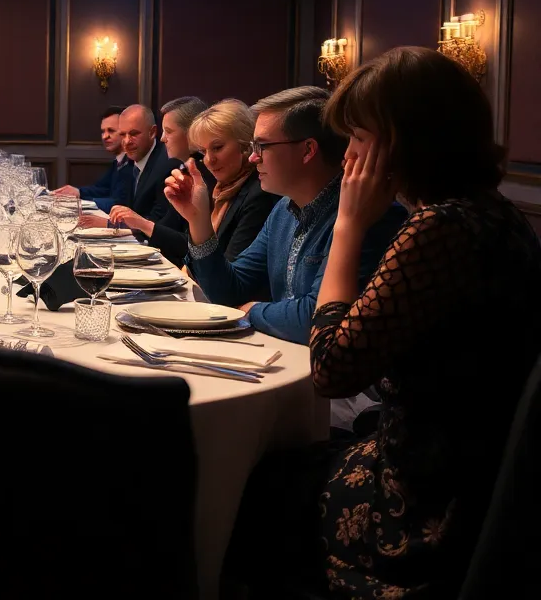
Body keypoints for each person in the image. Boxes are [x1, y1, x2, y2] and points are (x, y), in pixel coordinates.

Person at [227, 47, 541, 599]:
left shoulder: (438, 228)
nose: (346, 154)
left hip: (426, 496)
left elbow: (332, 370)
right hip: (474, 466)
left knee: (250, 485)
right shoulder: (493, 213)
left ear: (405, 141)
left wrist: (348, 225)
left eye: (357, 137)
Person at [166, 87, 405, 345]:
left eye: (262, 146)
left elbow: (318, 317)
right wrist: (198, 221)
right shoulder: (283, 209)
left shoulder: (367, 213)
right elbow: (229, 290)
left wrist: (251, 310)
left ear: (307, 150)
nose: (253, 157)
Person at [141, 100, 278, 268]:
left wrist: (197, 220)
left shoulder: (259, 193)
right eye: (203, 151)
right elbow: (192, 260)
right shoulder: (222, 188)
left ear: (245, 144)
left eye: (217, 147)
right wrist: (195, 219)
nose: (209, 160)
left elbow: (229, 275)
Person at [114, 96, 214, 265]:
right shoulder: (185, 170)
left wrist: (142, 224)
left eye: (169, 131)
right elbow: (167, 227)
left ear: (193, 133)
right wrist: (140, 224)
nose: (162, 138)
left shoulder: (207, 176)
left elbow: (191, 247)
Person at [79, 104, 177, 233]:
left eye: (133, 134)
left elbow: (158, 223)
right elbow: (121, 204)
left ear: (152, 132)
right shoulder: (129, 163)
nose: (126, 141)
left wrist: (110, 224)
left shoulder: (166, 165)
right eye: (122, 135)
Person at [54, 105, 125, 211]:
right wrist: (78, 192)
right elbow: (102, 189)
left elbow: (120, 203)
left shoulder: (132, 163)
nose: (105, 136)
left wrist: (79, 203)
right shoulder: (118, 161)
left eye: (111, 130)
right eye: (103, 131)